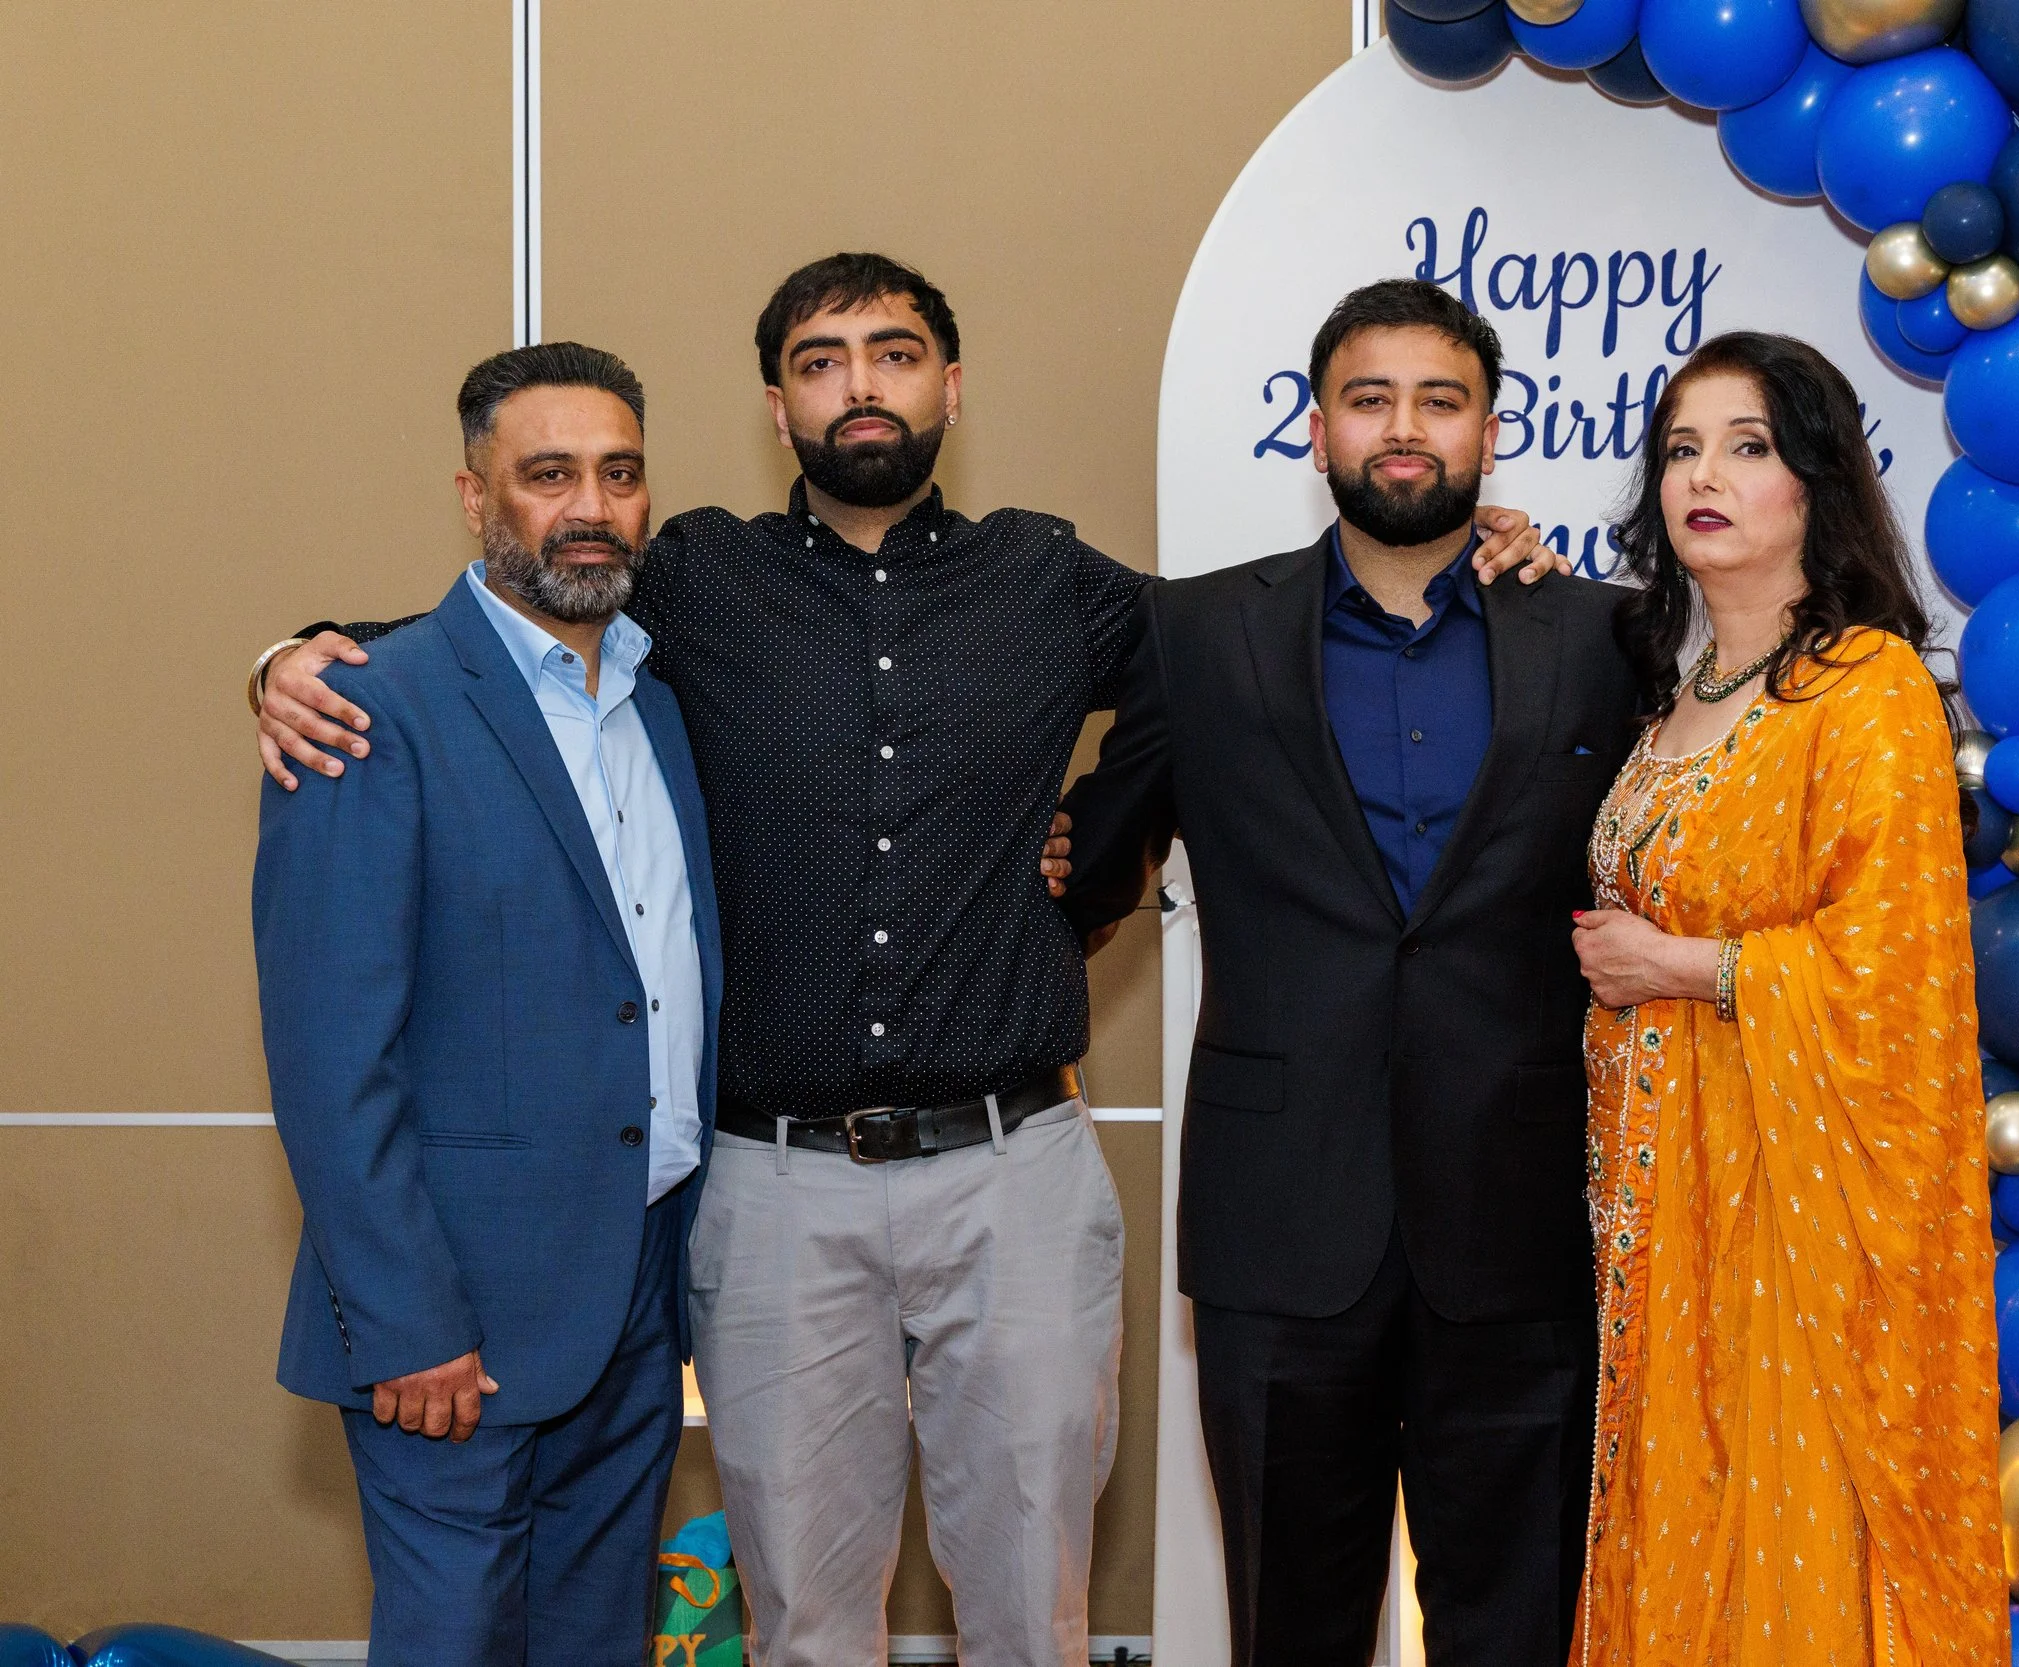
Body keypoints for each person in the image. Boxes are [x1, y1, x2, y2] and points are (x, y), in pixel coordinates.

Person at [244, 253, 1556, 1667]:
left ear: (951, 384)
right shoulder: (687, 576)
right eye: (821, 361)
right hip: (776, 1190)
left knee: (1032, 1612)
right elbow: (500, 635)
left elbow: (1249, 650)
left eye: (894, 352)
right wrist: (290, 656)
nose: (860, 383)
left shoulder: (1051, 578)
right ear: (775, 403)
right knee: (807, 1618)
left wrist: (1477, 561)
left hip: (1016, 1181)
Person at [1056, 278, 1637, 1667]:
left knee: (1518, 1624)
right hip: (1280, 1221)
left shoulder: (1603, 636)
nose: (1404, 429)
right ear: (1316, 429)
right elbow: (1090, 874)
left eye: (1440, 401)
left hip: (1521, 1214)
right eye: (1370, 399)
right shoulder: (1197, 634)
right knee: (1290, 1626)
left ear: (1493, 430)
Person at [252, 343, 721, 1665]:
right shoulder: (367, 709)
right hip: (451, 1320)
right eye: (548, 474)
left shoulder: (659, 709)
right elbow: (332, 1053)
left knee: (594, 1642)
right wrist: (405, 1320)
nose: (589, 505)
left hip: (631, 1299)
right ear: (475, 497)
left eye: (619, 474)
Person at [1565, 332, 2006, 1667]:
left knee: (1794, 1520)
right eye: (1683, 447)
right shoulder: (1673, 690)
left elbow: (1902, 972)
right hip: (1659, 1217)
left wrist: (1689, 967)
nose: (1707, 475)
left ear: (1817, 477)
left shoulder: (1865, 691)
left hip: (1797, 1229)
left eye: (1748, 446)